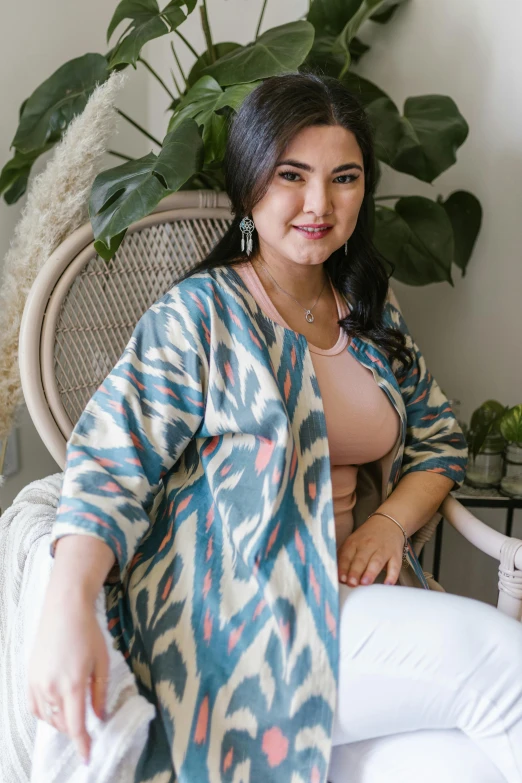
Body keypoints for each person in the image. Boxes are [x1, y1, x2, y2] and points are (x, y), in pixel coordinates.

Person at [28, 73, 522, 783]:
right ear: (251, 182)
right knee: (504, 662)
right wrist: (67, 610)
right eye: (293, 175)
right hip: (247, 620)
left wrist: (387, 523)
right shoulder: (200, 314)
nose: (320, 203)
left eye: (344, 178)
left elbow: (439, 436)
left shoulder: (369, 312)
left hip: (356, 605)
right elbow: (110, 463)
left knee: (469, 766)